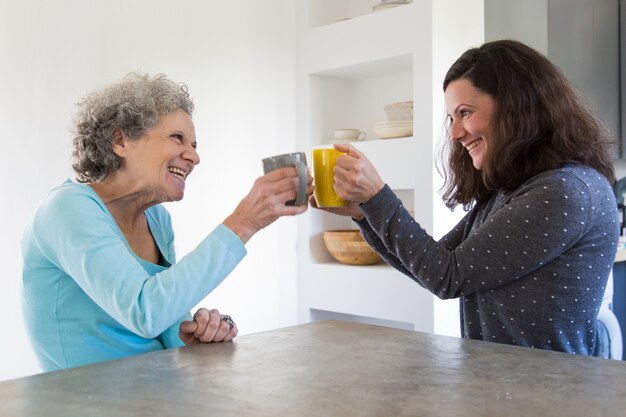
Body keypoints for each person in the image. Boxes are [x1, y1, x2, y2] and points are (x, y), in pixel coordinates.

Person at [312, 40, 619, 355]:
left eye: (465, 113)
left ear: (516, 106)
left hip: (547, 395)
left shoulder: (565, 191)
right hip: (509, 388)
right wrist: (364, 212)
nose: (455, 133)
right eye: (451, 118)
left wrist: (377, 196)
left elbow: (448, 276)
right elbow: (431, 265)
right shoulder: (518, 188)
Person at [21, 72, 313, 371]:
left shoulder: (157, 219)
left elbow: (165, 320)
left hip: (156, 394)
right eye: (178, 138)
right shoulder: (68, 208)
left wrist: (194, 332)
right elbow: (145, 311)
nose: (194, 157)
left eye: (195, 144)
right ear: (120, 141)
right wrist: (244, 221)